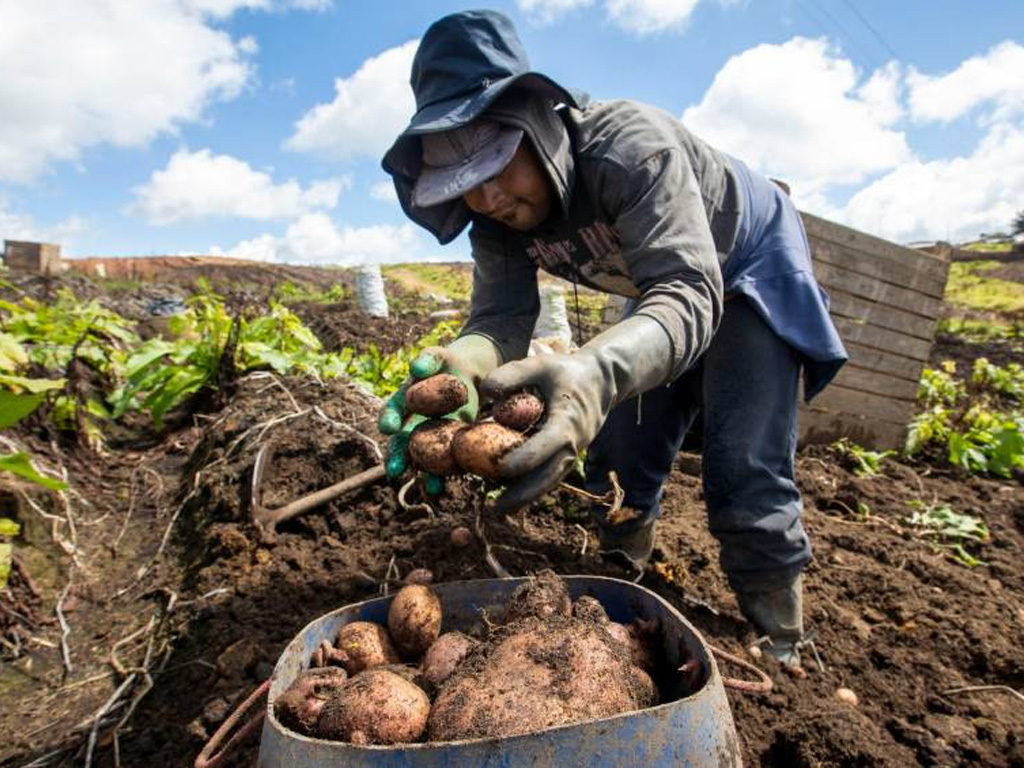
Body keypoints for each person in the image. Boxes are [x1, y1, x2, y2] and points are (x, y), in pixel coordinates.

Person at [378, 10, 848, 668]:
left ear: (537, 121)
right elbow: (501, 319)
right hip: (657, 280)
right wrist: (461, 368)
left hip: (742, 268)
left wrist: (597, 371)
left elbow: (687, 291)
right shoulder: (493, 220)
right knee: (618, 451)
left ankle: (783, 642)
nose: (485, 197)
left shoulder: (631, 148)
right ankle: (626, 575)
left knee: (743, 469)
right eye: (463, 185)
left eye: (496, 165)